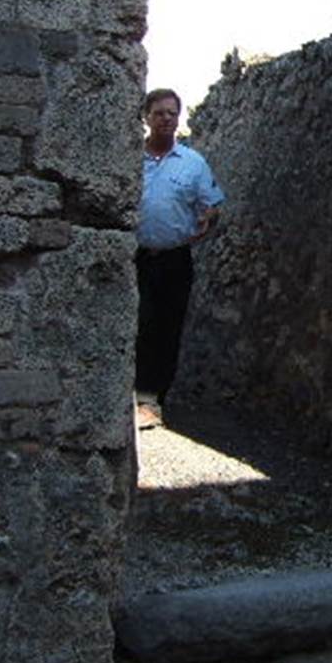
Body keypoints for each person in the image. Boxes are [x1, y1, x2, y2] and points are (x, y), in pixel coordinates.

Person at [135, 88, 225, 424]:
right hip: (135, 257)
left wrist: (209, 217)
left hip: (174, 260)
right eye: (159, 112)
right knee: (138, 324)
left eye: (172, 113)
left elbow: (213, 202)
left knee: (167, 328)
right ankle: (132, 393)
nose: (166, 119)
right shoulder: (131, 158)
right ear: (146, 117)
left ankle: (151, 399)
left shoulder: (193, 163)